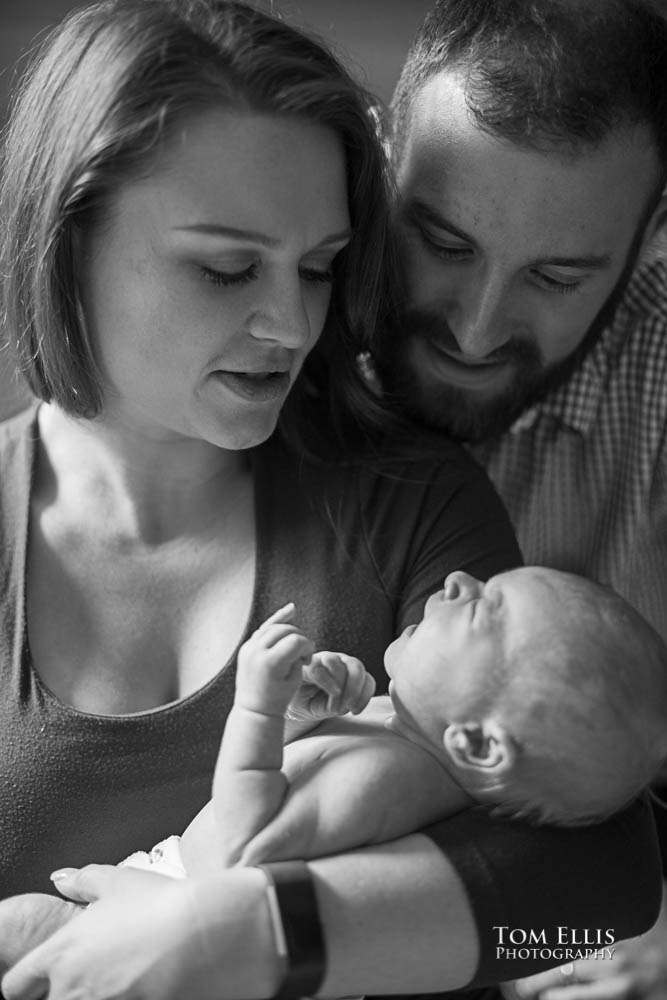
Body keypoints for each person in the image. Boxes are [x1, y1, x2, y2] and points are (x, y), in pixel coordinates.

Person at [0, 3, 661, 1000]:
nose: (292, 323)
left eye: (318, 268)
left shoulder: (408, 493)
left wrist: (246, 932)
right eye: (225, 269)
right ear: (66, 235)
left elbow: (597, 884)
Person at [371, 1, 667, 999]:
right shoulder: (272, 321)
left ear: (651, 237)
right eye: (442, 241)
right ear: (380, 166)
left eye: (555, 274)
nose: (475, 326)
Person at [116, 566, 667, 880]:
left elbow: (246, 851)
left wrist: (256, 707)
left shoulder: (393, 782)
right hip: (170, 895)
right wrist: (293, 717)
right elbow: (277, 789)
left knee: (28, 928)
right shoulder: (396, 728)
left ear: (476, 743)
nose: (459, 580)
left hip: (186, 922)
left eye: (483, 609)